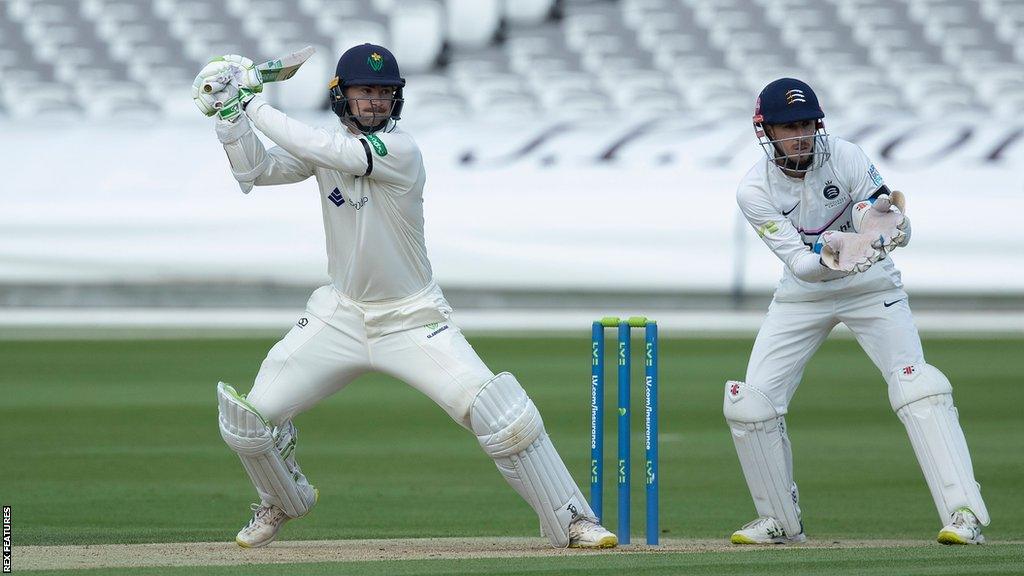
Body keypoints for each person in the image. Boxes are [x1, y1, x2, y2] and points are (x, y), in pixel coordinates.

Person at [190, 44, 616, 550]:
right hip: (340, 315)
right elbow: (256, 173)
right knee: (250, 419)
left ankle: (572, 520)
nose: (375, 102)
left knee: (502, 415)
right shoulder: (328, 147)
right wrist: (231, 116)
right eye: (364, 92)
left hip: (412, 320)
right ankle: (283, 498)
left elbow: (328, 151)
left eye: (384, 93)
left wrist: (255, 100)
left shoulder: (400, 150)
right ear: (341, 97)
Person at [725, 78, 989, 545]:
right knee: (752, 404)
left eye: (807, 124)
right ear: (766, 131)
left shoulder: (844, 155)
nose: (801, 135)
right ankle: (779, 522)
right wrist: (832, 256)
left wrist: (886, 225)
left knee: (918, 386)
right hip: (804, 291)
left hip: (871, 284)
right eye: (789, 127)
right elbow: (801, 265)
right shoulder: (753, 190)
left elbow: (876, 209)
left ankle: (963, 514)